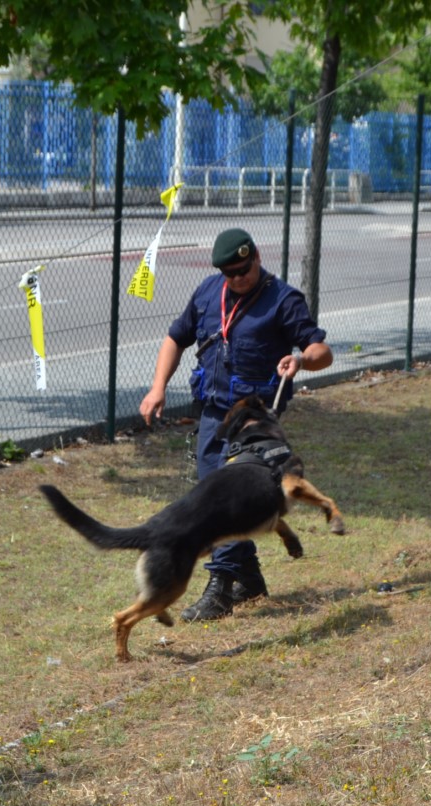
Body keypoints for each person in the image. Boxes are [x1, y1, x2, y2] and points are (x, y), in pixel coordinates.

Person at [139, 227, 333, 621]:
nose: (237, 279)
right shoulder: (209, 292)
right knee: (219, 496)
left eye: (244, 270)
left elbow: (321, 350)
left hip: (256, 422)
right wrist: (157, 387)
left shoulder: (283, 299)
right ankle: (247, 579)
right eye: (230, 273)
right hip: (214, 415)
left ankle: (224, 585)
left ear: (257, 258)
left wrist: (300, 361)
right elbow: (175, 338)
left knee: (223, 500)